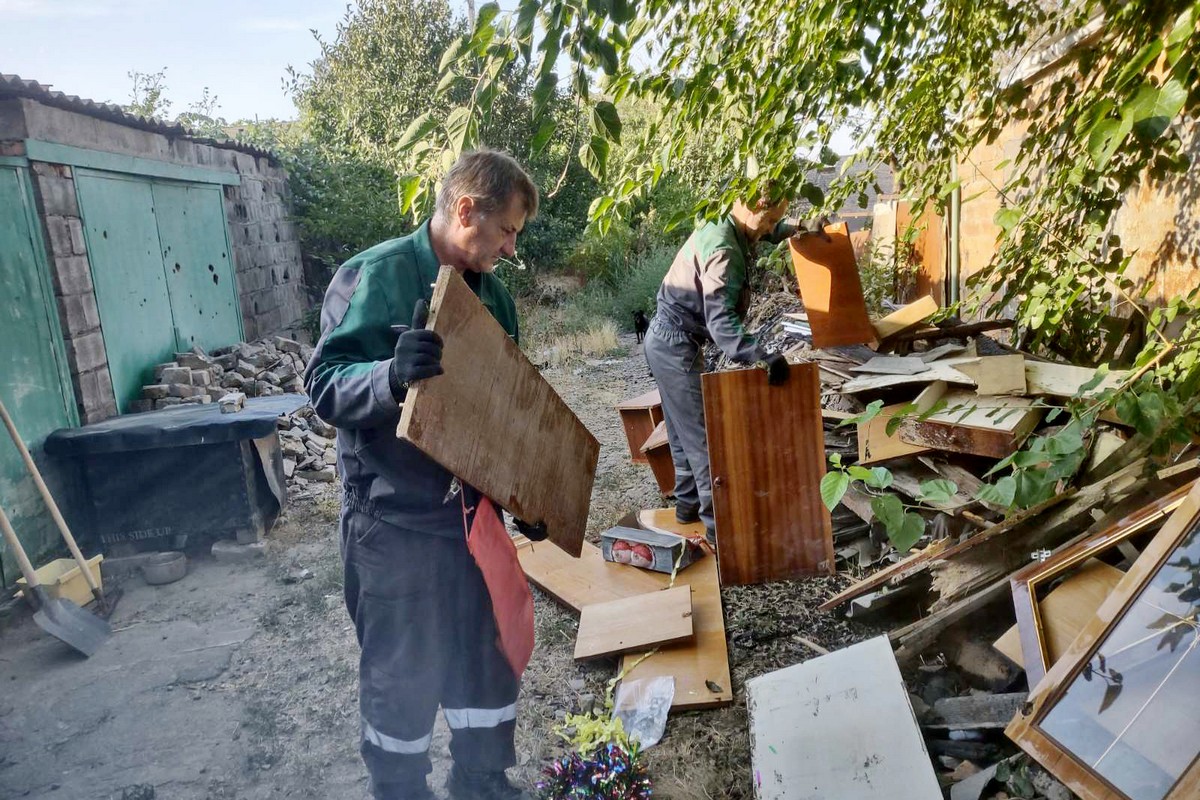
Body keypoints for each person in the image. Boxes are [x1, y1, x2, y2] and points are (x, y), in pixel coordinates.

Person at [304, 149, 540, 800]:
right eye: (506, 230)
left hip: (469, 524)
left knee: (483, 665)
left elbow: (502, 412)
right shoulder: (374, 277)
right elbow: (324, 386)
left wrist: (526, 493)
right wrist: (388, 376)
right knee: (401, 679)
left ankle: (482, 782)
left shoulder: (494, 298)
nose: (512, 248)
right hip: (394, 528)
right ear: (466, 209)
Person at [643, 191, 793, 545]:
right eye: (770, 218)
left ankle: (686, 509)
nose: (771, 227)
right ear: (752, 207)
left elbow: (763, 230)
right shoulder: (725, 253)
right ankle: (722, 535)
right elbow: (721, 322)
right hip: (674, 344)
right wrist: (761, 356)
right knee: (704, 442)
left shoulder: (725, 219)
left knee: (681, 433)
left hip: (668, 339)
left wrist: (796, 227)